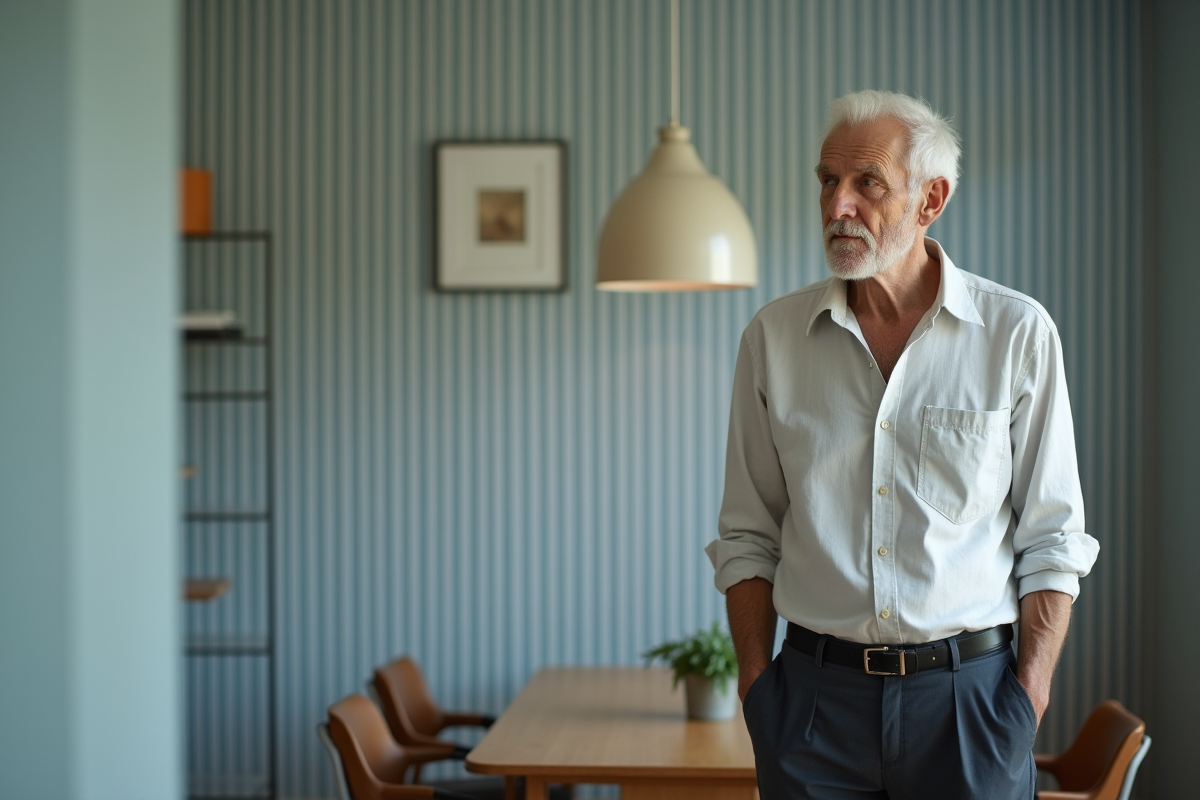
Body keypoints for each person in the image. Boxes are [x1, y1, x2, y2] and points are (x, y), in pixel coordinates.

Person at [705, 90, 1099, 800]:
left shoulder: (1016, 335)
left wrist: (1027, 696)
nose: (837, 207)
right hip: (812, 710)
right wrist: (759, 687)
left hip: (969, 705)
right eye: (828, 181)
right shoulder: (772, 339)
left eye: (867, 184)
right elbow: (747, 533)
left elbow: (1054, 538)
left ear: (930, 200)